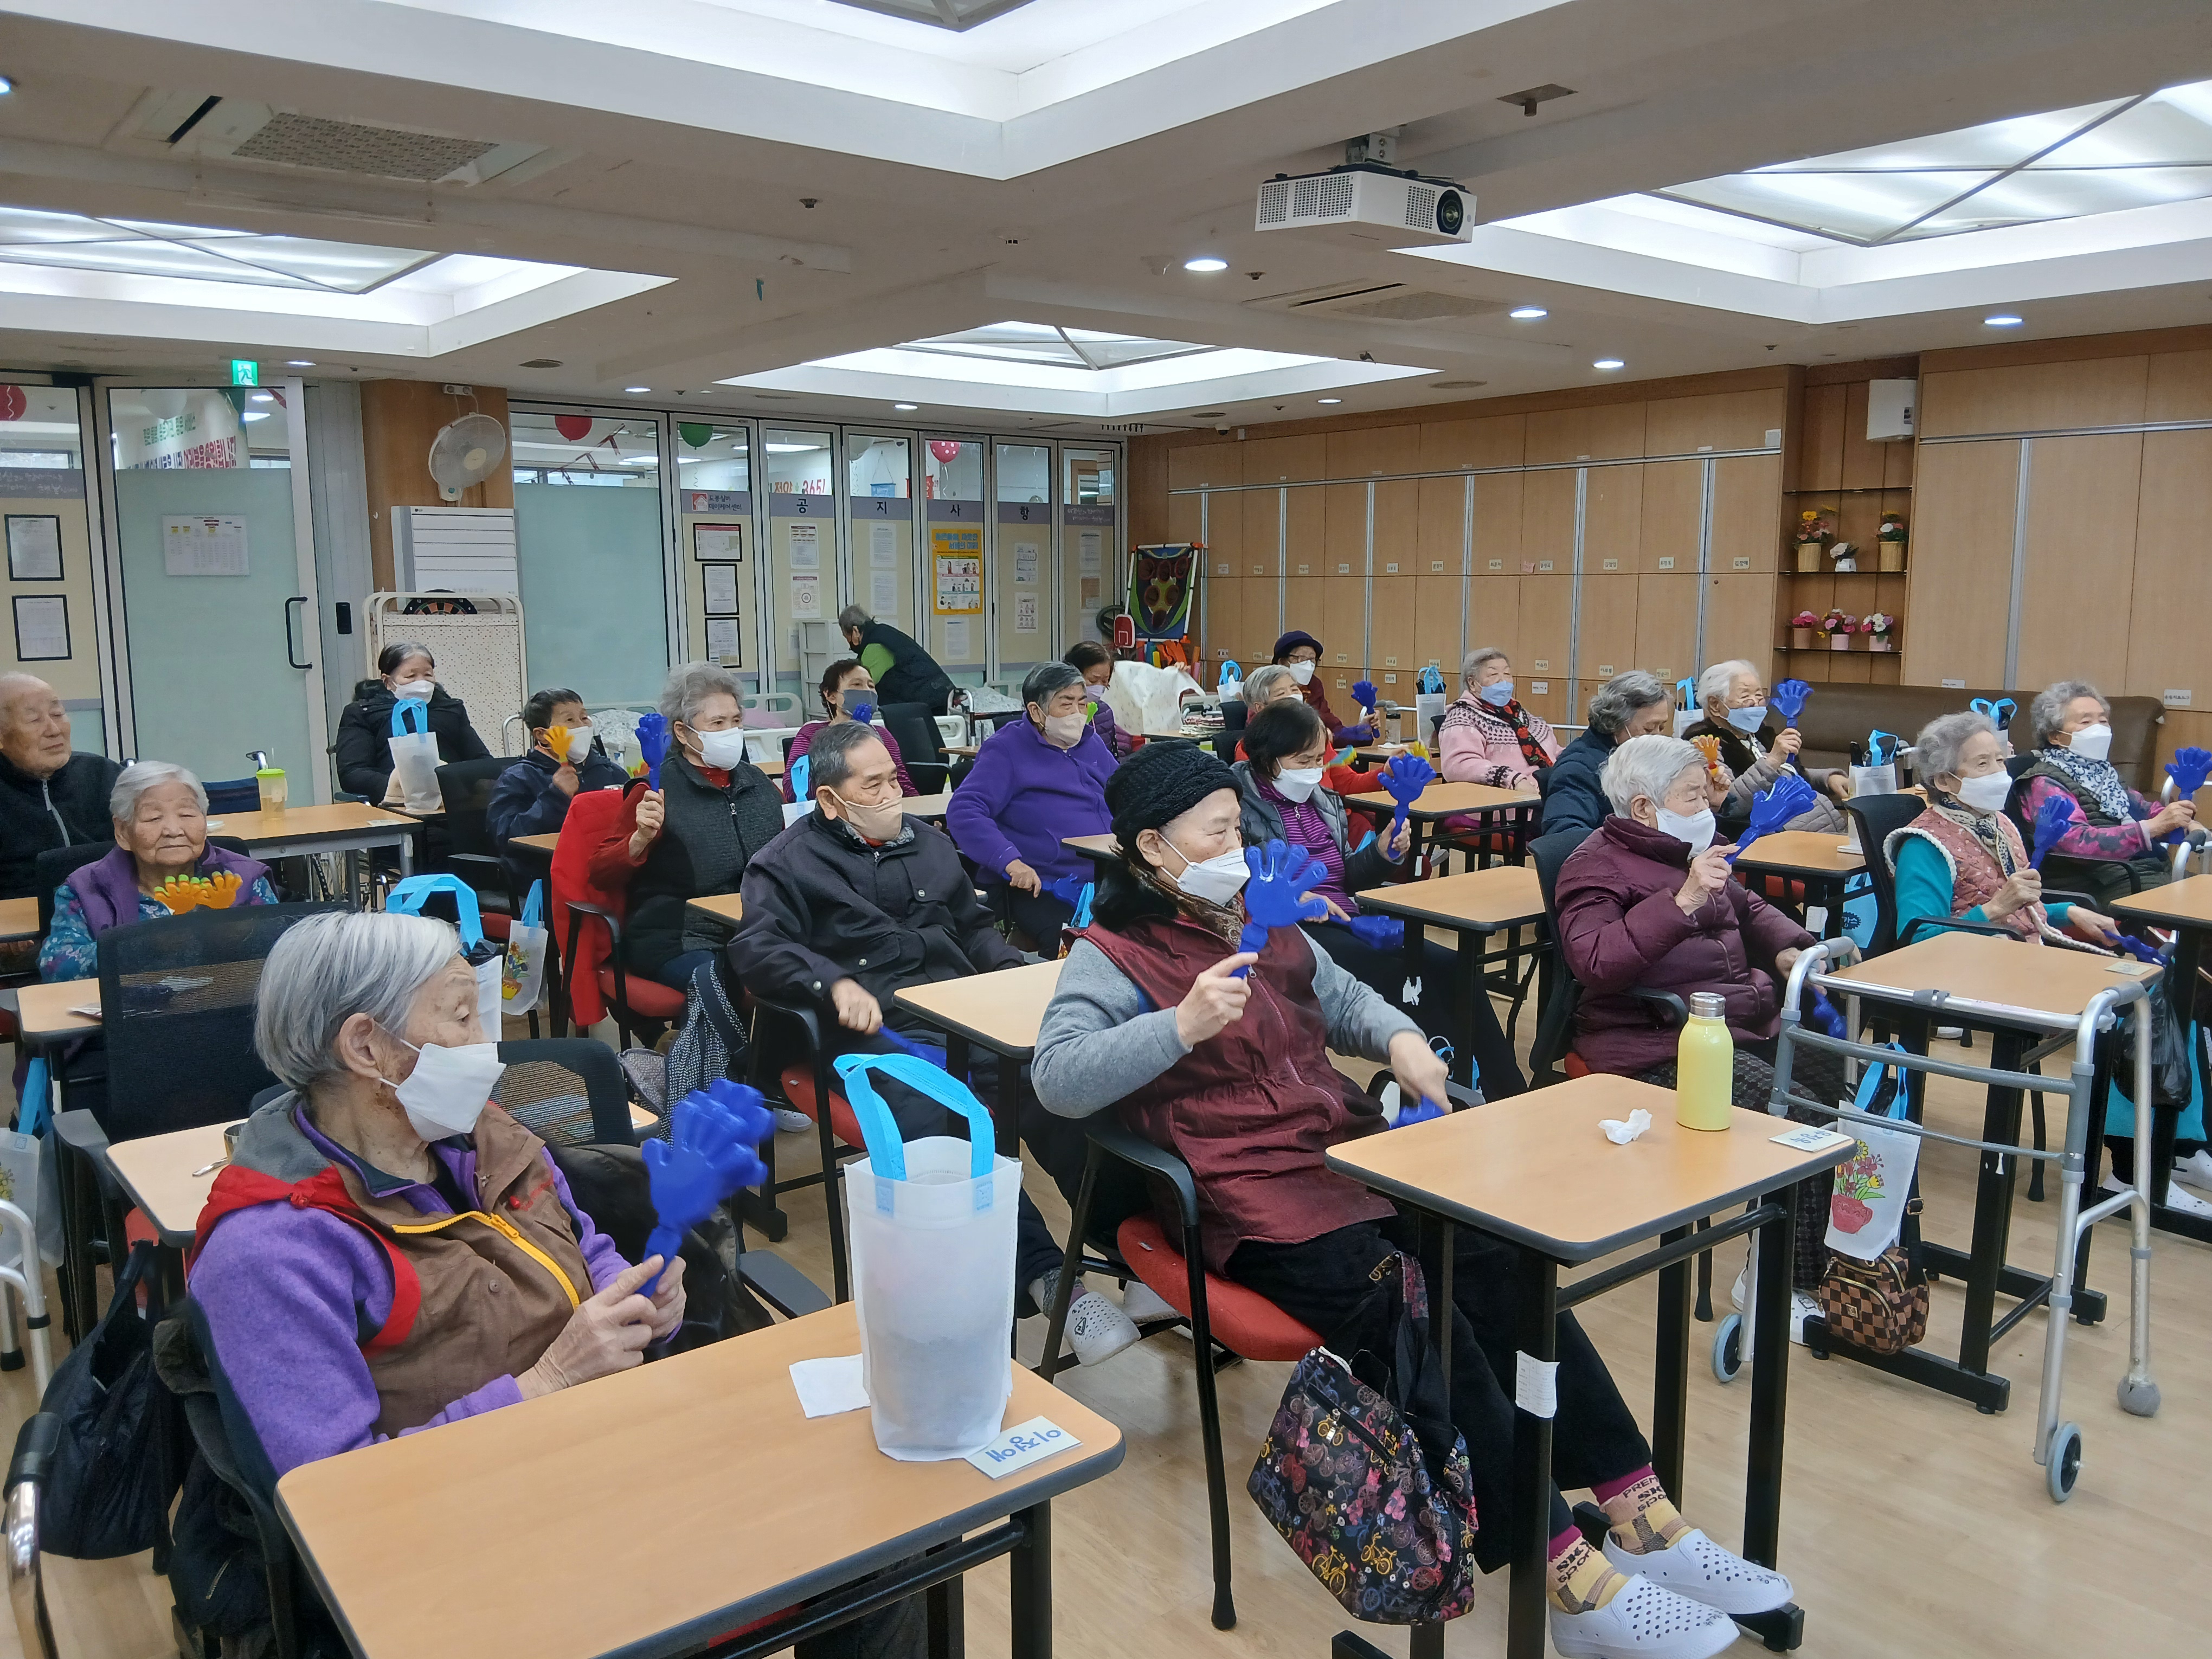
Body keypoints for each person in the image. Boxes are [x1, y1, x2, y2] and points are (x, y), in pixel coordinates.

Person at [1032, 740, 1787, 1659]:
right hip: (1249, 1197)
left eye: (1239, 827)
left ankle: (1641, 1512)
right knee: (1411, 1309)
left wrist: (1401, 1043)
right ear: (1153, 847)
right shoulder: (1110, 956)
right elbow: (1058, 1080)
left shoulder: (1258, 914)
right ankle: (1563, 1572)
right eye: (1218, 831)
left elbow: (1348, 1000)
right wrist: (1177, 1026)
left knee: (1504, 1261)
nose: (1239, 845)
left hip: (1347, 1157)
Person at [189, 910, 690, 1475]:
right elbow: (334, 1487)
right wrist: (551, 1381)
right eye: (462, 1017)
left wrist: (635, 1301)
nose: (485, 1045)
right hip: (477, 1506)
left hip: (599, 1445)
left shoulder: (487, 1134)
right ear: (366, 1048)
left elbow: (583, 1245)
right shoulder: (271, 1253)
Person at [735, 719, 1156, 1365]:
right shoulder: (785, 863)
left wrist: (1017, 974)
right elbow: (757, 947)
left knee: (1061, 1093)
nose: (891, 795)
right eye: (872, 786)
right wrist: (831, 981)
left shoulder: (930, 845)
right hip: (876, 1031)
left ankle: (1137, 1258)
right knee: (948, 1121)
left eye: (893, 780)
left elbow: (975, 930)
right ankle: (1051, 1281)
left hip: (964, 1010)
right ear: (830, 800)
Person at [1553, 734, 1842, 1323]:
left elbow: (1749, 907)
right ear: (1643, 807)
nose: (1708, 807)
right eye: (1692, 796)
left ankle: (1845, 1252)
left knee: (1853, 1089)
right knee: (1803, 1118)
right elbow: (1596, 962)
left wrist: (1789, 947)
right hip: (1653, 1041)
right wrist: (1681, 901)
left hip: (1731, 1021)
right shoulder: (1593, 865)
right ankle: (1777, 1284)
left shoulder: (1683, 849)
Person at [1889, 711, 2207, 1216]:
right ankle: (2137, 1168)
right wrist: (1996, 909)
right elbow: (1918, 938)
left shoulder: (1997, 823)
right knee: (2135, 1000)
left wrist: (2067, 911)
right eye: (1983, 764)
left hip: (2017, 955)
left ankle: (2177, 1148)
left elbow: (2026, 906)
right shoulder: (1923, 842)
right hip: (1970, 973)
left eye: (2000, 759)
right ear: (1946, 781)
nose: (2000, 772)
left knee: (2161, 979)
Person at [1232, 696, 1521, 1096]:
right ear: (1268, 760)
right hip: (1290, 928)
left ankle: (1508, 1089)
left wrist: (1383, 854)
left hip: (1348, 917)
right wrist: (1291, 898)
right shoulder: (1238, 807)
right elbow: (1233, 879)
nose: (1315, 770)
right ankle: (1453, 1086)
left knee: (1455, 966)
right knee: (1407, 978)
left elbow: (1347, 877)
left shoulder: (1323, 801)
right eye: (1302, 761)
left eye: (1318, 759)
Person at [588, 663, 782, 989]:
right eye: (717, 723)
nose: (731, 731)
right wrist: (639, 840)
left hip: (755, 930)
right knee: (726, 983)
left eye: (736, 721)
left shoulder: (760, 785)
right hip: (678, 937)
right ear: (682, 732)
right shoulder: (654, 793)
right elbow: (600, 873)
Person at [40, 761, 279, 981]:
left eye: (187, 814)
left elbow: (285, 952)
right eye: (153, 818)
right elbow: (56, 968)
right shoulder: (85, 889)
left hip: (228, 1004)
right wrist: (145, 945)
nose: (173, 830)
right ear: (122, 832)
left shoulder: (243, 878)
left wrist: (242, 937)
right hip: (133, 1010)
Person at [945, 661, 1115, 947]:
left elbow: (1124, 792)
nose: (1077, 714)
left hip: (1108, 876)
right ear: (1036, 712)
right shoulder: (1007, 749)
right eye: (1066, 704)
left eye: (1082, 703)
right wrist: (1010, 862)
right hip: (1046, 883)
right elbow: (965, 810)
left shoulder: (1090, 742)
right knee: (1087, 949)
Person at [2017, 678, 2194, 908]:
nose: (2099, 728)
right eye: (2086, 722)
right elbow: (2077, 843)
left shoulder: (2103, 773)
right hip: (2097, 885)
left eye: (2103, 720)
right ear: (2055, 736)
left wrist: (2183, 820)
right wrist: (2151, 828)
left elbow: (2143, 809)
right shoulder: (2044, 783)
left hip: (2141, 872)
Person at [485, 687, 630, 889]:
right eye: (570, 720)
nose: (581, 726)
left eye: (584, 717)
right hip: (546, 876)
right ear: (542, 735)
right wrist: (556, 797)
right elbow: (506, 836)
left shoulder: (608, 770)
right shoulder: (519, 777)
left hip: (608, 869)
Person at [1681, 659, 1846, 833]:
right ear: (1715, 705)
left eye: (1759, 696)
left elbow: (1785, 775)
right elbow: (1728, 803)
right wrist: (1772, 760)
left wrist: (1827, 779)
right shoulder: (1705, 745)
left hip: (1817, 826)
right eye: (1745, 696)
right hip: (1775, 837)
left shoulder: (1756, 736)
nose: (1756, 703)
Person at [0, 671, 121, 903]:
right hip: (23, 917)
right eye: (34, 720)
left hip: (113, 908)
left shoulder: (103, 774)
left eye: (58, 714)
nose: (54, 730)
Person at [332, 642, 491, 803]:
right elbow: (352, 773)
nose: (421, 682)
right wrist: (405, 787)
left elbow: (483, 761)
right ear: (388, 682)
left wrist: (451, 781)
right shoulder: (363, 713)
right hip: (391, 805)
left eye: (428, 675)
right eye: (410, 677)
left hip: (451, 803)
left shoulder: (450, 710)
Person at [1542, 671, 1677, 839]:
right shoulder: (1578, 770)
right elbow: (1563, 834)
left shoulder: (1638, 760)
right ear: (1616, 723)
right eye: (1649, 729)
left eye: (1662, 728)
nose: (1657, 737)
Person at [782, 659, 918, 802]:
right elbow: (794, 791)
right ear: (831, 695)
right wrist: (850, 735)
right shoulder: (811, 734)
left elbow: (903, 785)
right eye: (857, 685)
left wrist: (921, 810)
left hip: (882, 808)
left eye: (871, 686)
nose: (867, 691)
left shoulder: (882, 735)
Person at [1439, 647, 1558, 789]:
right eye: (1493, 674)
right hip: (1506, 798)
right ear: (1473, 683)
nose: (1503, 681)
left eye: (1507, 674)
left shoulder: (1516, 712)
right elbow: (1458, 766)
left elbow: (1553, 750)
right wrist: (1511, 779)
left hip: (1549, 788)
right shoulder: (1462, 717)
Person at [837, 604, 956, 715]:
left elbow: (861, 686)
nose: (848, 643)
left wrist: (837, 702)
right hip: (938, 693)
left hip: (928, 704)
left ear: (855, 631)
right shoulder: (884, 634)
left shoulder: (875, 647)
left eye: (846, 636)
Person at [1270, 629, 1374, 745]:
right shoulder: (1267, 687)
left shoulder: (1314, 686)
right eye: (1301, 658)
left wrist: (1361, 731)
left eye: (1312, 659)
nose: (1307, 664)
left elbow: (1333, 727)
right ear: (1282, 662)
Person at [1065, 640, 1133, 758]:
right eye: (1093, 681)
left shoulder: (1105, 711)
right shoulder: (1060, 714)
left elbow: (1111, 755)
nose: (1099, 686)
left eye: (1105, 681)